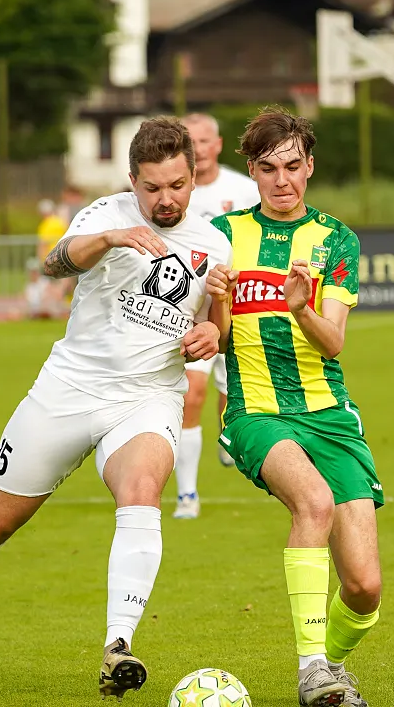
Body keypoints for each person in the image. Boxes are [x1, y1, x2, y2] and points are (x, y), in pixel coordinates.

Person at [0, 117, 231, 702]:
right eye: (152, 188)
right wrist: (113, 240)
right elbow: (53, 264)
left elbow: (212, 327)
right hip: (69, 388)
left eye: (177, 185)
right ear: (133, 181)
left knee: (142, 489)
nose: (166, 199)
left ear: (192, 176)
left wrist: (213, 332)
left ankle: (117, 647)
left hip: (147, 396)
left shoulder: (214, 243)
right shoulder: (105, 215)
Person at [206, 107, 382, 707]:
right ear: (250, 171)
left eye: (292, 166)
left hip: (329, 413)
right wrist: (218, 303)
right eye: (267, 168)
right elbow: (219, 339)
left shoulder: (335, 240)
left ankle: (331, 666)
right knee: (314, 502)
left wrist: (302, 307)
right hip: (255, 413)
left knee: (364, 588)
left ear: (309, 165)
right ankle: (312, 671)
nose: (282, 181)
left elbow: (333, 341)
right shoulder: (223, 235)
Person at [173, 112, 262, 520]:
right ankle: (187, 495)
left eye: (205, 140)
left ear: (218, 144)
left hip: (234, 308)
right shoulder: (174, 191)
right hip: (186, 308)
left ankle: (227, 436)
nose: (199, 147)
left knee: (230, 400)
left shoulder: (243, 190)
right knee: (191, 395)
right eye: (190, 140)